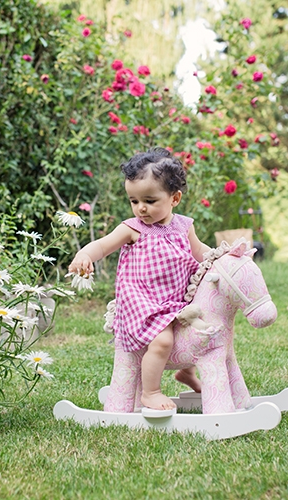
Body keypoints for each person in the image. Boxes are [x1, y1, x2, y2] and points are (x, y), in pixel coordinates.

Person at [68, 147, 211, 410]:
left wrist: (220, 259)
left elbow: (200, 251)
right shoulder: (133, 228)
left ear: (174, 198)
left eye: (149, 200)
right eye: (134, 201)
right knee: (164, 340)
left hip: (176, 300)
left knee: (198, 329)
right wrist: (85, 254)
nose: (141, 208)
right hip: (143, 302)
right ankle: (151, 392)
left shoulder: (184, 226)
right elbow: (102, 246)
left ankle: (187, 372)